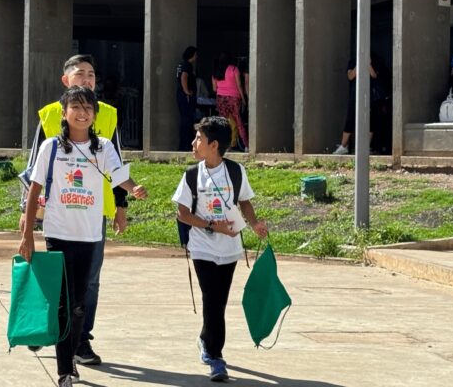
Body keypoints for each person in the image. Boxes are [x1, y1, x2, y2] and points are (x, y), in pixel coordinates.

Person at [19, 86, 148, 387]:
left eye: (88, 108)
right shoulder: (51, 147)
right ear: (64, 113)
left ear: (94, 115)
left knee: (78, 305)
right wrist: (27, 236)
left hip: (89, 235)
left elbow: (119, 176)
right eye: (75, 107)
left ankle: (70, 355)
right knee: (65, 302)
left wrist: (134, 189)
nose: (82, 112)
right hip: (58, 233)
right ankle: (65, 370)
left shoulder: (103, 147)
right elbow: (34, 189)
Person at [172, 116, 268, 383]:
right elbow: (182, 213)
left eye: (199, 139)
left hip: (230, 249)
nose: (194, 143)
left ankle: (206, 339)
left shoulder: (235, 172)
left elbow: (245, 202)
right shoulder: (192, 175)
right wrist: (212, 226)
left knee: (219, 302)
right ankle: (216, 357)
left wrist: (255, 224)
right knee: (211, 299)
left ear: (214, 145)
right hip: (202, 247)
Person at [334, 55, 378, 155]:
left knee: (370, 121)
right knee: (350, 119)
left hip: (369, 96)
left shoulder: (374, 60)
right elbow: (350, 76)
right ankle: (343, 146)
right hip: (355, 95)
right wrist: (359, 63)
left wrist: (368, 63)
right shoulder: (353, 61)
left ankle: (365, 147)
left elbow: (374, 75)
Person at [211, 53, 248, 152]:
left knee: (223, 123)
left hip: (221, 98)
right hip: (234, 98)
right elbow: (239, 85)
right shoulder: (234, 69)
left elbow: (214, 88)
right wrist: (243, 99)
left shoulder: (215, 71)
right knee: (239, 122)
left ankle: (222, 145)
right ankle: (246, 145)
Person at [176, 46, 199, 151]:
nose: (196, 56)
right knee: (187, 121)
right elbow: (184, 78)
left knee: (186, 120)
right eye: (195, 54)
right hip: (186, 97)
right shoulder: (187, 66)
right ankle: (185, 145)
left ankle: (184, 144)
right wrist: (187, 92)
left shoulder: (181, 64)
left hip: (181, 96)